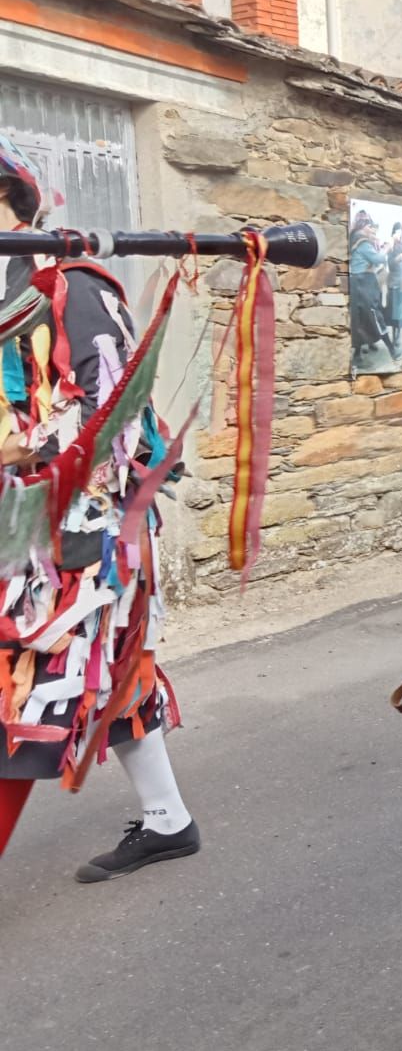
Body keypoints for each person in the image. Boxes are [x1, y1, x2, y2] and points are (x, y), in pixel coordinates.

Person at [0, 135, 199, 879]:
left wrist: (18, 453)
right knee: (107, 671)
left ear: (9, 198)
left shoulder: (70, 285)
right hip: (14, 526)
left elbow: (111, 412)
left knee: (30, 674)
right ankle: (169, 819)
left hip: (77, 529)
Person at [349, 216, 396, 362]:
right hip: (365, 282)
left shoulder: (355, 240)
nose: (371, 230)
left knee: (359, 317)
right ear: (362, 227)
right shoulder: (363, 243)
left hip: (357, 281)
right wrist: (387, 248)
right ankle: (392, 350)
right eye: (369, 226)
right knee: (374, 315)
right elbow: (378, 259)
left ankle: (358, 353)